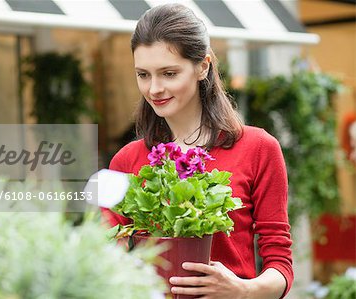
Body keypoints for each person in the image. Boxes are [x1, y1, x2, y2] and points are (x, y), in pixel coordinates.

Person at [101, 3, 293, 299]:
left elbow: (279, 262)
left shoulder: (258, 148)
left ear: (202, 66)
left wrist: (242, 290)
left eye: (168, 73)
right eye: (143, 74)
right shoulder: (127, 160)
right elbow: (105, 252)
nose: (154, 89)